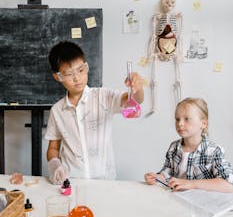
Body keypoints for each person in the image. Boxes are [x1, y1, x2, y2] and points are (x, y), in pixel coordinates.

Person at [45, 41, 144, 184]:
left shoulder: (103, 96)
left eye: (80, 70)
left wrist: (137, 88)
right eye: (68, 74)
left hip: (104, 182)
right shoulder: (57, 110)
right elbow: (53, 148)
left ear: (87, 67)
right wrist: (55, 165)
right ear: (58, 77)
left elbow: (135, 100)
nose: (76, 78)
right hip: (72, 181)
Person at [145, 98, 233, 192]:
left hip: (203, 203)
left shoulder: (213, 150)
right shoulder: (174, 147)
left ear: (203, 124)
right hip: (177, 200)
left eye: (187, 119)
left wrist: (192, 184)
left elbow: (229, 184)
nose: (180, 123)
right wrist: (157, 177)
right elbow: (167, 174)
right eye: (177, 119)